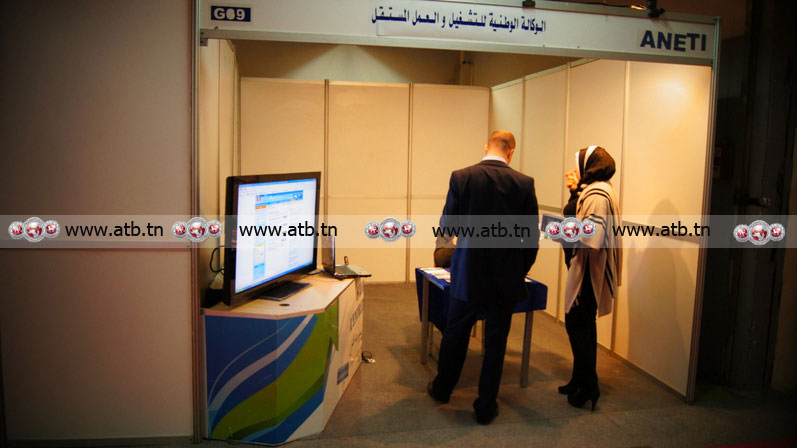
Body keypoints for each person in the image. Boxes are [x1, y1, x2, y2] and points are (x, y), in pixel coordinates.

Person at [427, 130, 539, 425]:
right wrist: (518, 270)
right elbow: (531, 239)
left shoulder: (461, 177)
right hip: (505, 278)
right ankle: (486, 406)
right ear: (511, 152)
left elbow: (447, 226)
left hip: (468, 274)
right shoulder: (524, 183)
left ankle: (442, 389)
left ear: (486, 147)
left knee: (456, 333)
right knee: (496, 342)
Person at [559, 145, 622, 411]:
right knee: (582, 325)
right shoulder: (596, 189)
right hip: (585, 267)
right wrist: (575, 191)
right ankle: (580, 379)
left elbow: (592, 237)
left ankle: (589, 386)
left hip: (588, 269)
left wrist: (558, 230)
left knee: (578, 325)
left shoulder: (597, 195)